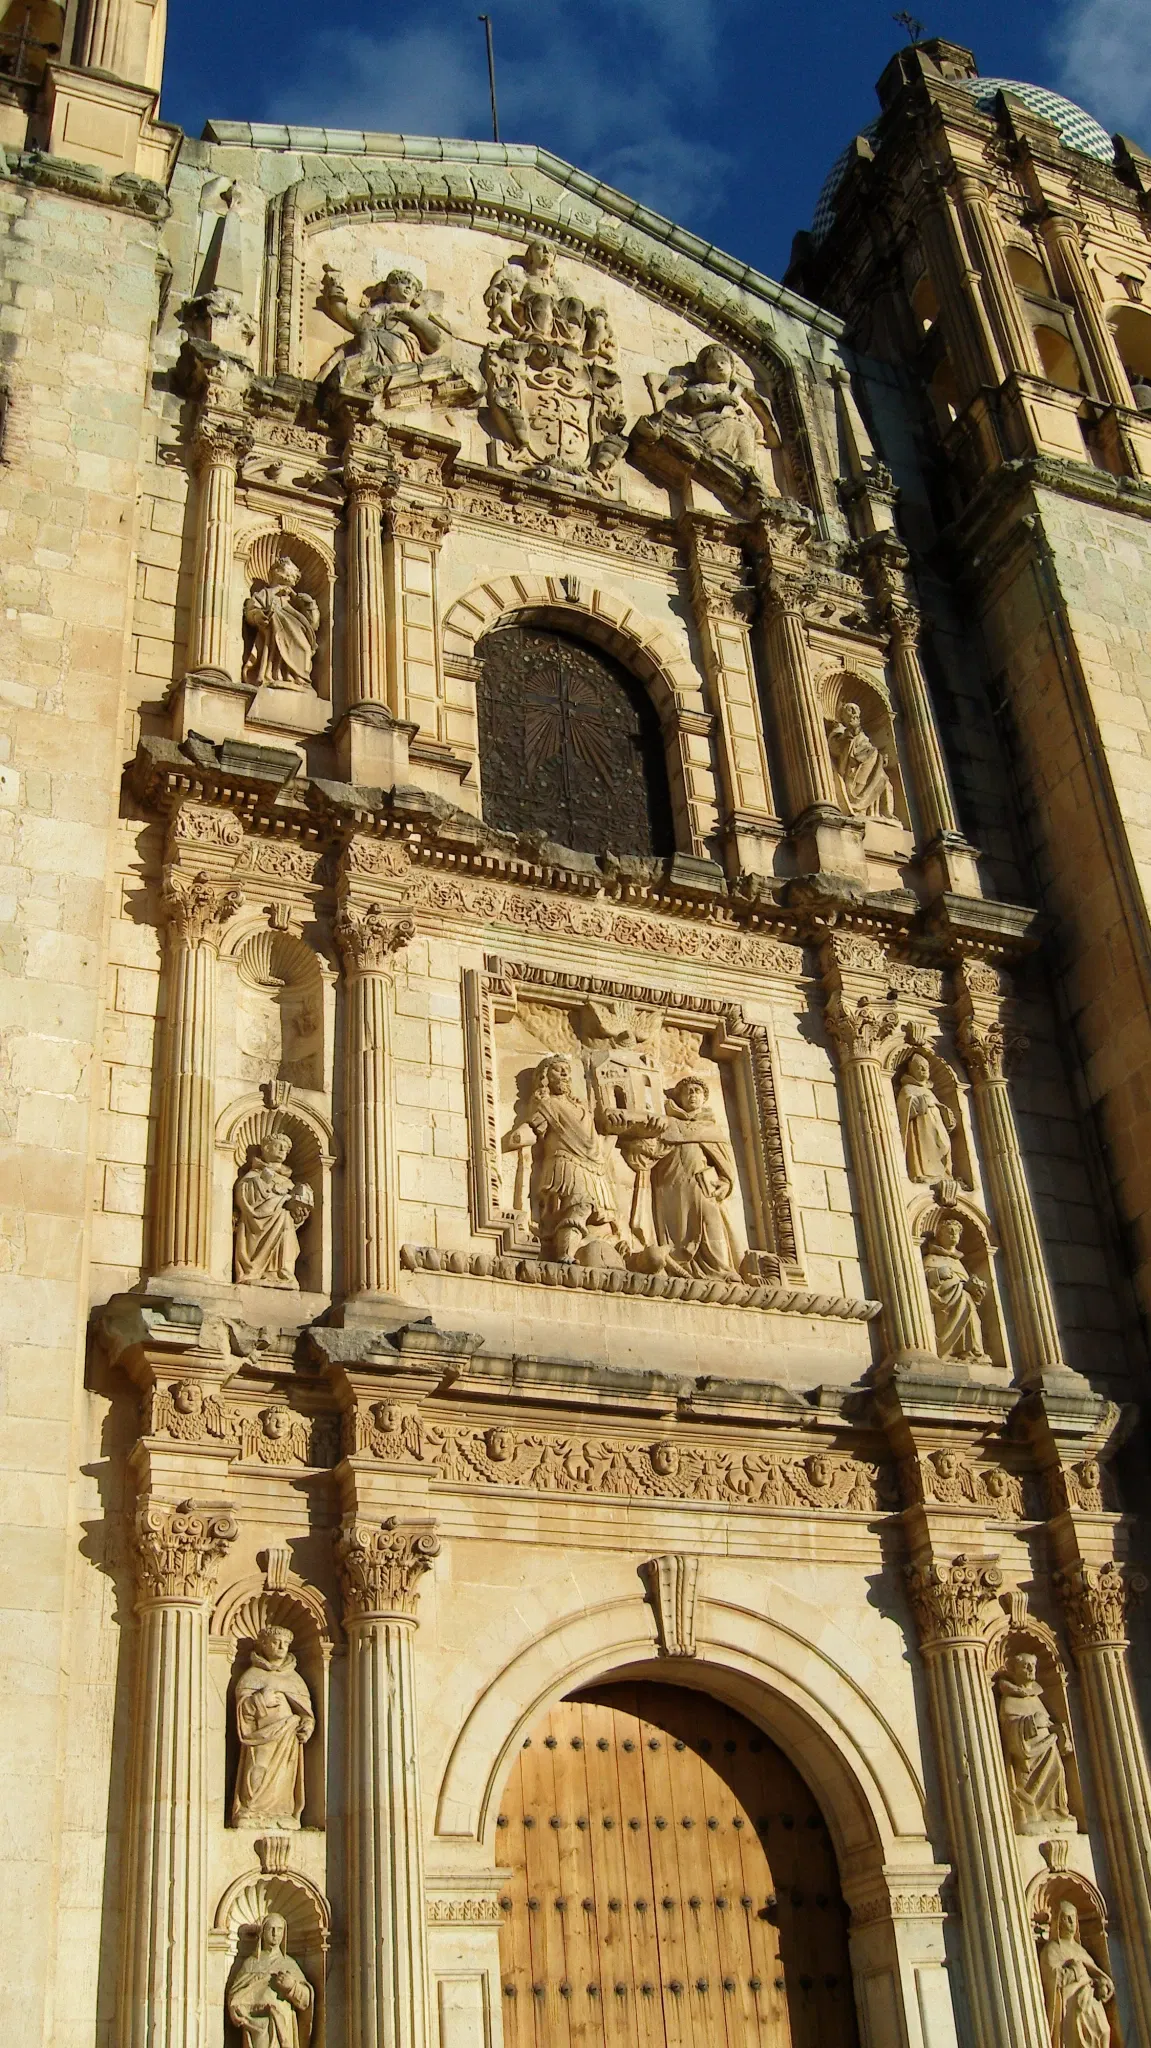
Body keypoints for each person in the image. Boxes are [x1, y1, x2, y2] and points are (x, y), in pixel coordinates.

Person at [505, 1054, 620, 1261]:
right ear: (545, 1077)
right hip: (566, 1165)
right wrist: (511, 1140)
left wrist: (616, 1132)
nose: (565, 1073)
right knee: (581, 1205)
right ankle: (565, 1254)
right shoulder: (548, 1105)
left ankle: (583, 1253)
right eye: (558, 1069)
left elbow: (597, 1144)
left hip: (593, 1167)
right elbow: (533, 1129)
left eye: (567, 1070)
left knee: (600, 1222)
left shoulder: (582, 1108)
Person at [649, 1075, 742, 1278]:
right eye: (687, 1091)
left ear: (704, 1098)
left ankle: (720, 1269)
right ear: (679, 1097)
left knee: (710, 1220)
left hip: (701, 1185)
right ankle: (683, 1268)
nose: (692, 1095)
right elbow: (652, 1152)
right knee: (678, 1228)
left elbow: (724, 1163)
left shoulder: (710, 1129)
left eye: (697, 1091)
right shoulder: (669, 1125)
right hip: (671, 1185)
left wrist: (725, 1183)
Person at [233, 1625, 315, 1829]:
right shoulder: (252, 1676)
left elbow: (306, 1711)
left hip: (287, 1736)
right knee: (257, 1769)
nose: (281, 1646)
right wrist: (260, 1700)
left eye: (285, 1643)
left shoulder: (294, 1679)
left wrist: (307, 1725)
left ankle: (282, 1812)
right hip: (260, 1736)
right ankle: (250, 1809)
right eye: (275, 1642)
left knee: (284, 1777)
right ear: (263, 1645)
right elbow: (242, 1709)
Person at [995, 1650, 1074, 1833]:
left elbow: (1046, 1721)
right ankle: (1033, 1813)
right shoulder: (1010, 1699)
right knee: (1028, 1784)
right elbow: (1009, 1727)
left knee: (1059, 1772)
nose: (1031, 1669)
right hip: (1028, 1755)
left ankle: (1055, 1810)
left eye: (1033, 1665)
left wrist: (1059, 1732)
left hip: (1048, 1747)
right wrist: (1030, 1722)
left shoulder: (1037, 1697)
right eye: (1026, 1666)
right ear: (1014, 1671)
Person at [660, 344, 766, 469]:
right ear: (705, 371)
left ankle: (747, 466)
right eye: (712, 365)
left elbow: (757, 429)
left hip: (733, 431)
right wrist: (717, 399)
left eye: (723, 362)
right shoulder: (705, 387)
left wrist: (746, 421)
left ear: (732, 368)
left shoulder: (739, 400)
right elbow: (691, 398)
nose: (718, 366)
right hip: (707, 427)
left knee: (746, 430)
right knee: (738, 428)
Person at [233, 1133, 313, 1288]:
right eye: (278, 1145)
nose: (283, 1150)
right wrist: (283, 1200)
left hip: (284, 1226)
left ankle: (281, 1272)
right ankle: (256, 1271)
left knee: (285, 1221)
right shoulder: (254, 1176)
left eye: (287, 1148)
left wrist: (299, 1213)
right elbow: (247, 1200)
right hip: (259, 1225)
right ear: (266, 1148)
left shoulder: (288, 1181)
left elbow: (293, 1210)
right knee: (282, 1216)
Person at [226, 1912, 314, 2048]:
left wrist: (292, 1986)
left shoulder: (288, 1963)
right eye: (271, 1929)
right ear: (263, 1932)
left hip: (282, 2023)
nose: (275, 1933)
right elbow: (235, 1995)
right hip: (255, 2024)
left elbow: (305, 2001)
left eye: (279, 1929)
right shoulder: (251, 1963)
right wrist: (235, 2010)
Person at [1039, 1899, 1112, 2048]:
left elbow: (1094, 1971)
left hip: (1090, 2000)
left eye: (1074, 1917)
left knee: (1105, 2030)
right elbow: (1053, 1979)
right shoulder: (1052, 1949)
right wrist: (1074, 1972)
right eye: (1067, 1918)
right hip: (1072, 2006)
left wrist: (1104, 1984)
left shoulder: (1080, 1950)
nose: (1072, 1921)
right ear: (1059, 1921)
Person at [242, 553, 319, 691]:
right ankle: (275, 675)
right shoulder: (266, 594)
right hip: (274, 631)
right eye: (289, 573)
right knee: (278, 642)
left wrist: (309, 604)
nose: (292, 578)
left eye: (294, 576)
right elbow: (252, 610)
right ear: (277, 572)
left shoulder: (296, 601)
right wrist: (259, 616)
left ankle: (297, 678)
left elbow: (312, 624)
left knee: (305, 649)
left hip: (298, 633)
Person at [922, 1216, 989, 1360]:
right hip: (945, 1302)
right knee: (963, 1303)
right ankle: (953, 1351)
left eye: (956, 1232)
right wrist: (938, 1273)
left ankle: (971, 1351)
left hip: (964, 1300)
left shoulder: (958, 1262)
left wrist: (975, 1288)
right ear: (939, 1236)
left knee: (970, 1311)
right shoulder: (931, 1258)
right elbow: (923, 1279)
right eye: (949, 1232)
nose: (953, 1235)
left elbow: (964, 1281)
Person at [827, 701, 894, 817]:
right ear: (842, 715)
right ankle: (861, 810)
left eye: (856, 709)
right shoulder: (839, 731)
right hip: (852, 769)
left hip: (867, 767)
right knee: (861, 785)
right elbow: (834, 748)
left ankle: (875, 813)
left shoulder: (862, 735)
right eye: (850, 709)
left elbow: (868, 748)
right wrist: (849, 734)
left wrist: (880, 759)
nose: (854, 712)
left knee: (884, 781)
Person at [897, 1052, 956, 1182]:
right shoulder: (908, 1089)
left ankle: (944, 1173)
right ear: (912, 1071)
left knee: (944, 1144)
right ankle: (923, 1172)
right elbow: (904, 1110)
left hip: (936, 1125)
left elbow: (938, 1109)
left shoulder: (929, 1091)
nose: (924, 1070)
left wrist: (947, 1117)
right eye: (920, 1067)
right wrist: (920, 1103)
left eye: (926, 1067)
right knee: (925, 1148)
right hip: (921, 1127)